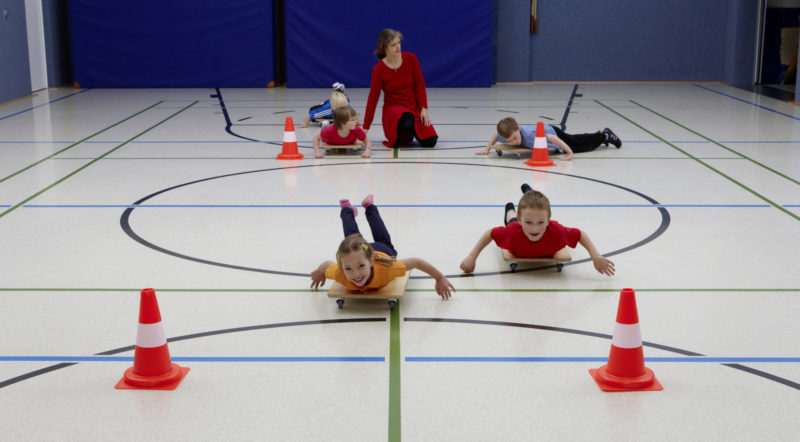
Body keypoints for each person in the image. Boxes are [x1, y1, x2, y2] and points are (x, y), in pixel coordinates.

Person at [311, 194, 455, 299]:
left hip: (383, 251)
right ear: (342, 266)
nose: (355, 274)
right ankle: (368, 207)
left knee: (380, 240)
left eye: (361, 266)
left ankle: (349, 209)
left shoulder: (388, 268)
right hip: (362, 251)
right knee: (351, 242)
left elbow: (417, 262)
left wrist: (440, 278)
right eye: (348, 268)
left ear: (372, 260)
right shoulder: (341, 272)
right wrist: (320, 271)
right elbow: (327, 265)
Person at [459, 184, 615, 276]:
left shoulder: (556, 230)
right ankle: (510, 208)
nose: (535, 228)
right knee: (511, 218)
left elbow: (580, 234)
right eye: (528, 222)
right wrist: (472, 256)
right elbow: (490, 233)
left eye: (541, 222)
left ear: (548, 220)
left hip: (527, 221)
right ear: (521, 221)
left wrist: (595, 256)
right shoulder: (514, 229)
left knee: (534, 206)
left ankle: (529, 191)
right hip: (516, 224)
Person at [363, 28, 438, 148]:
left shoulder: (411, 59)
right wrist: (365, 128)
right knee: (406, 117)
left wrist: (424, 108)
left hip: (414, 108)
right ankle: (405, 132)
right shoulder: (378, 70)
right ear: (385, 48)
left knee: (431, 141)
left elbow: (420, 85)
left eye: (398, 43)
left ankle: (410, 131)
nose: (398, 47)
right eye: (393, 45)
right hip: (393, 111)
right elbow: (373, 99)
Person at [477, 117, 622, 160]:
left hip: (553, 133)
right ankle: (601, 136)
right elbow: (496, 136)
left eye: (515, 138)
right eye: (509, 141)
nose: (513, 143)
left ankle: (605, 135)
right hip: (548, 132)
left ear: (519, 129)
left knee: (577, 144)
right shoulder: (506, 136)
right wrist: (487, 147)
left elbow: (552, 139)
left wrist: (569, 152)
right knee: (577, 140)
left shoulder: (531, 137)